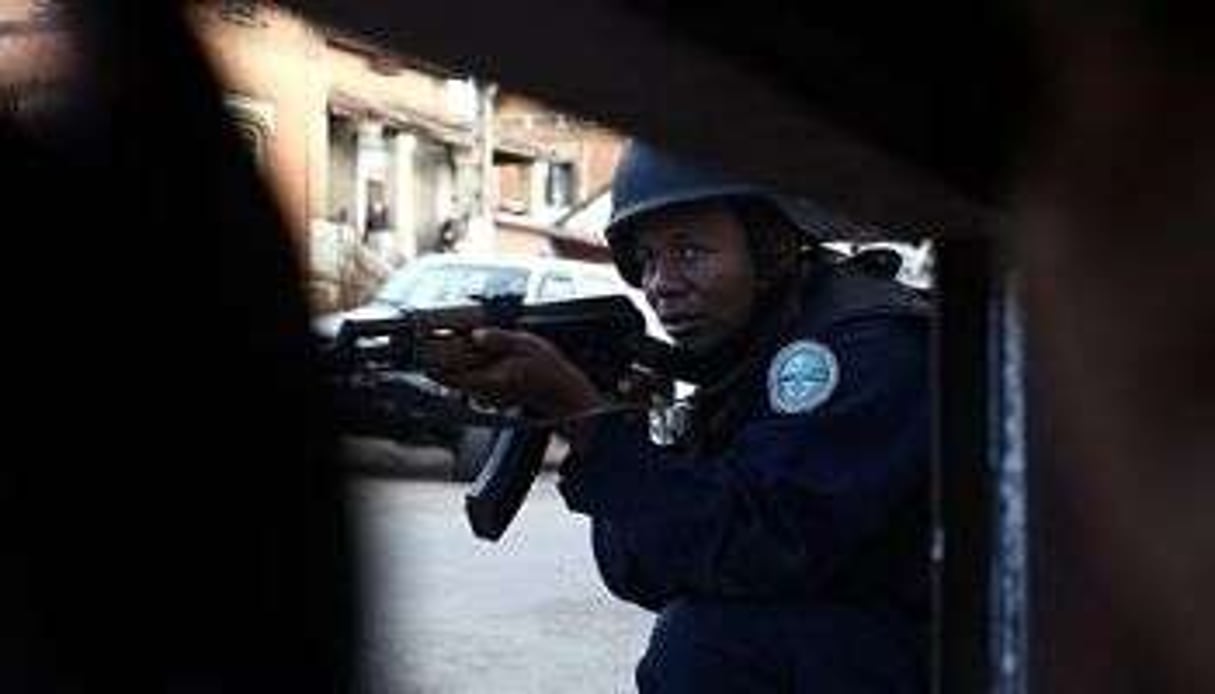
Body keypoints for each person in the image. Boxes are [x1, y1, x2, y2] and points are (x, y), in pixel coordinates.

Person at [428, 142, 931, 693]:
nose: (661, 283)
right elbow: (647, 572)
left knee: (707, 641)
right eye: (647, 260)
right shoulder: (749, 352)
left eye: (689, 252)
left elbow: (767, 546)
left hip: (946, 649)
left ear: (770, 251)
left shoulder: (859, 347)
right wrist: (620, 423)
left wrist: (586, 417)